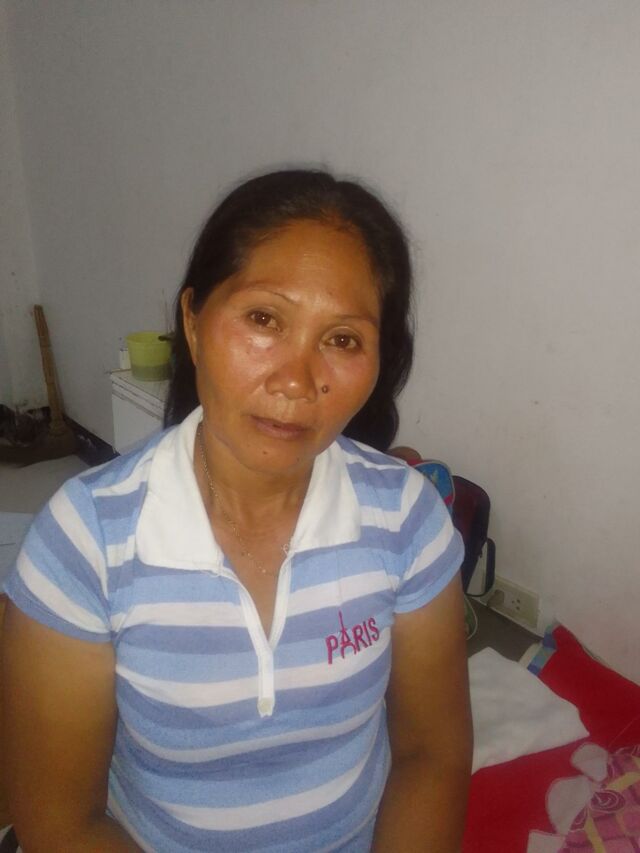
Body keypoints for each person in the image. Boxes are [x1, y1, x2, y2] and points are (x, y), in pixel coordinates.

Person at [2, 169, 472, 852]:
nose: (296, 379)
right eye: (264, 319)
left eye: (342, 339)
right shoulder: (85, 542)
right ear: (193, 324)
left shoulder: (407, 520)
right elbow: (62, 819)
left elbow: (433, 755)